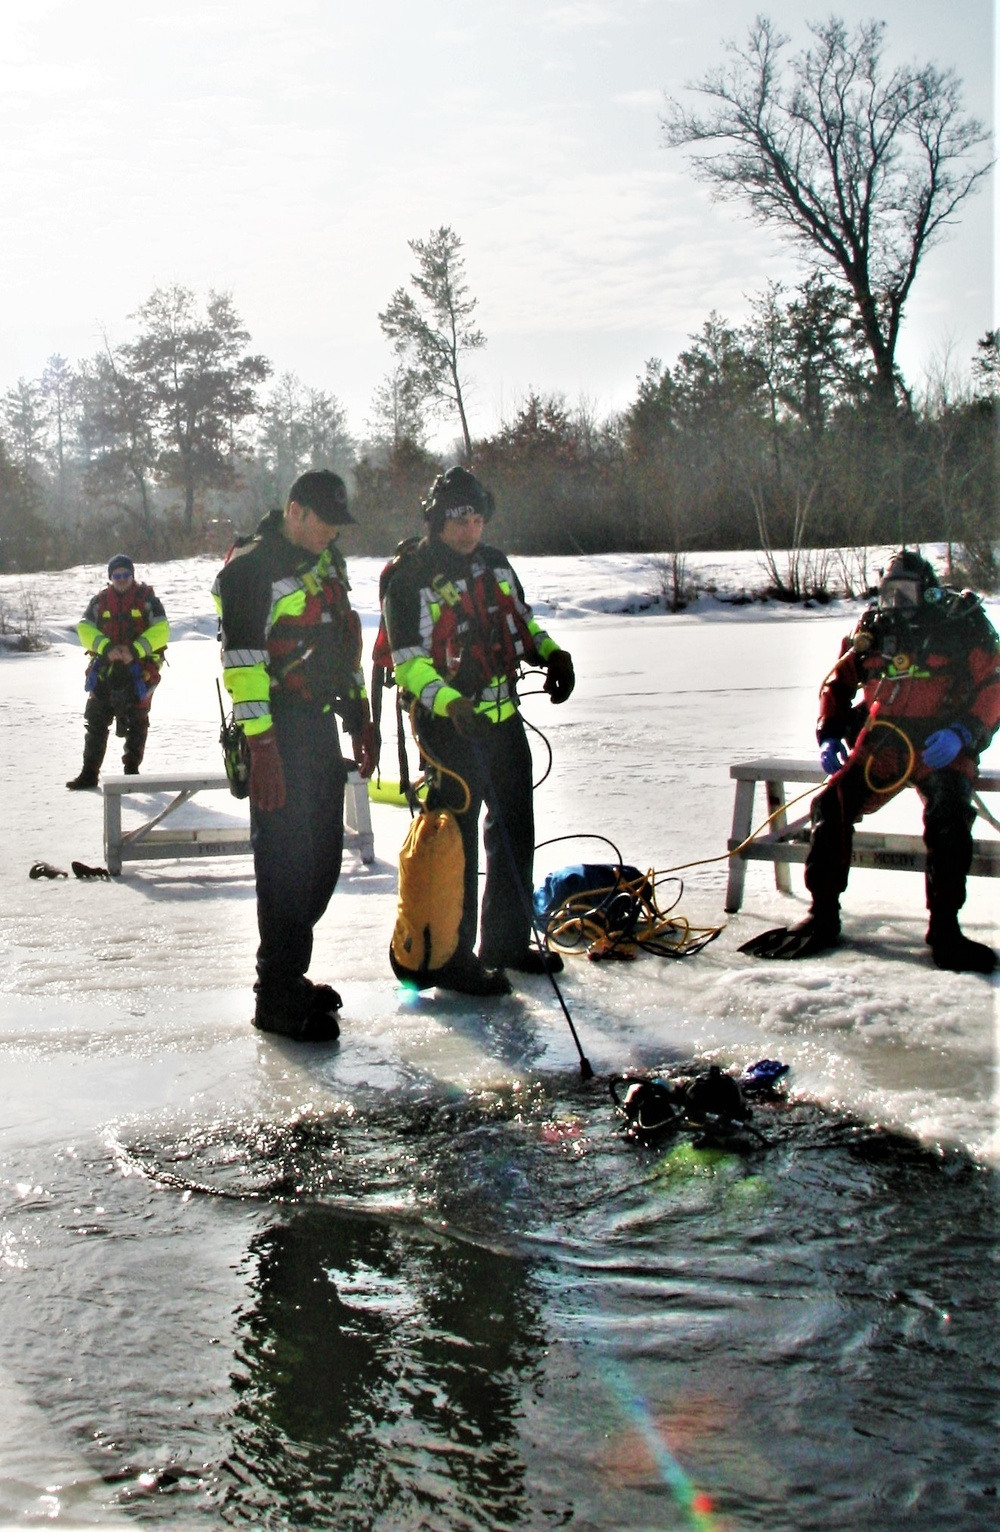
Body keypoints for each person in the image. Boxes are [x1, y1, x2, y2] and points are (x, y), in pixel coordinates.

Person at [741, 550, 1000, 972]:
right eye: (888, 592)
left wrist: (964, 732)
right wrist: (829, 732)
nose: (894, 603)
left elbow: (994, 686)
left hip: (939, 746)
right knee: (830, 805)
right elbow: (837, 684)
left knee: (950, 814)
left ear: (928, 591)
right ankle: (822, 914)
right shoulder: (873, 630)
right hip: (883, 745)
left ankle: (945, 928)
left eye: (904, 592)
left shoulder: (959, 624)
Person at [381, 466, 576, 996]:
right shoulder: (410, 579)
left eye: (476, 519)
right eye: (457, 521)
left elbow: (522, 622)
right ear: (436, 522)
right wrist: (448, 703)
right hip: (448, 729)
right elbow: (409, 662)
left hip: (503, 718)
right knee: (456, 843)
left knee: (514, 830)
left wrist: (552, 654)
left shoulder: (495, 563)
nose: (469, 530)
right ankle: (450, 955)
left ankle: (506, 942)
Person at [213, 470, 377, 1041]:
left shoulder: (328, 563)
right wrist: (262, 748)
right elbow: (243, 665)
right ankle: (275, 991)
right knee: (283, 862)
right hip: (273, 729)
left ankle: (288, 970)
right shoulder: (251, 569)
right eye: (324, 521)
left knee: (323, 858)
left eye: (338, 524)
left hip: (316, 724)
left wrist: (358, 713)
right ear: (295, 510)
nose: (332, 533)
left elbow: (343, 644)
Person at [66, 554, 170, 789]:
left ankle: (131, 772)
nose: (122, 579)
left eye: (126, 575)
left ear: (132, 575)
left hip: (140, 671)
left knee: (138, 721)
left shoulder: (148, 600)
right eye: (117, 575)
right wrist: (107, 648)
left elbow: (162, 629)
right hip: (106, 669)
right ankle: (89, 773)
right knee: (95, 720)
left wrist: (134, 650)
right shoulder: (99, 601)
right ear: (110, 578)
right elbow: (84, 628)